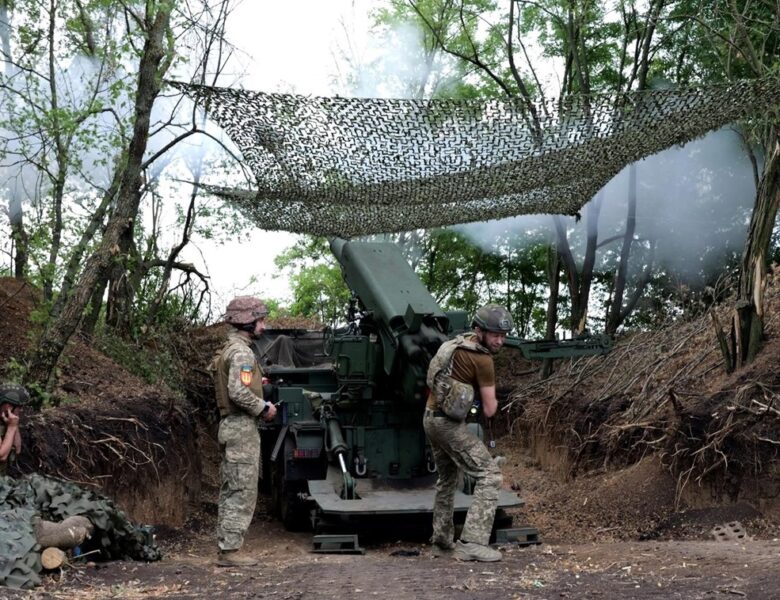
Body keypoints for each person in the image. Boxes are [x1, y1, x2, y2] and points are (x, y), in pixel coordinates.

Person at [423, 304, 513, 562]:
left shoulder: (455, 344)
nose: (500, 340)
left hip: (430, 418)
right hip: (448, 425)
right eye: (495, 334)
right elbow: (490, 407)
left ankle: (441, 542)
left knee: (447, 480)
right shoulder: (482, 359)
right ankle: (473, 543)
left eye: (503, 335)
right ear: (480, 331)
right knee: (490, 474)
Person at [210, 296, 277, 567]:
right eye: (260, 320)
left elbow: (237, 383)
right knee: (242, 489)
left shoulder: (230, 348)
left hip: (231, 427)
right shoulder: (242, 353)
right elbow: (238, 392)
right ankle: (230, 551)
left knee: (231, 488)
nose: (263, 325)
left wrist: (257, 383)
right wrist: (264, 408)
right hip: (240, 427)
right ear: (247, 322)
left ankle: (226, 546)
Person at [0, 383, 28, 476]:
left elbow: (17, 449)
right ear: (9, 407)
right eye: (20, 407)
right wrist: (11, 428)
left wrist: (13, 425)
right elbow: (2, 456)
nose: (22, 410)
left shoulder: (5, 420)